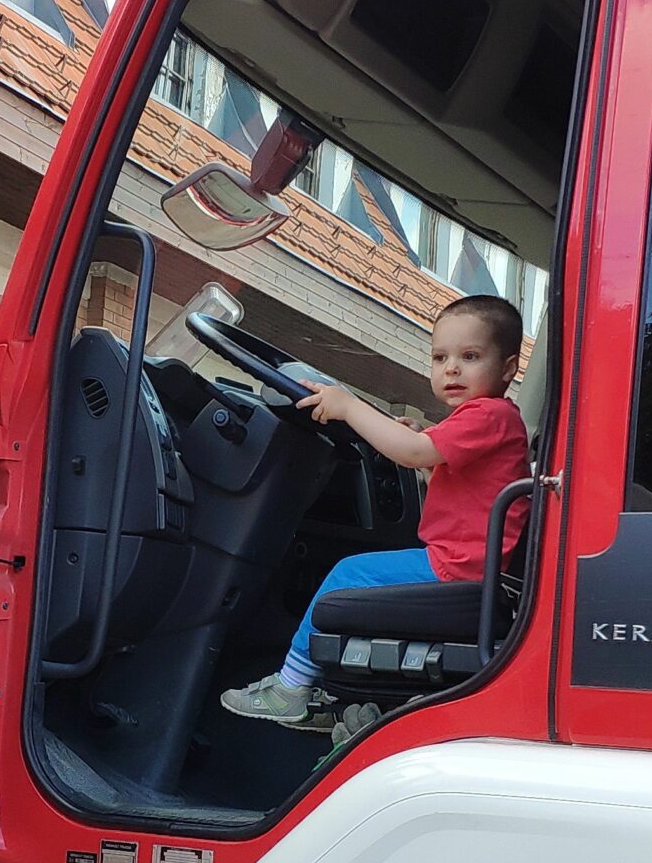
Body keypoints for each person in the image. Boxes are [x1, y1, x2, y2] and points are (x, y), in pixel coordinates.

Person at [222, 293, 531, 728]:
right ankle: (326, 694)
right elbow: (439, 470)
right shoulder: (488, 419)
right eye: (439, 357)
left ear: (507, 367)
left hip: (457, 567)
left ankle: (290, 688)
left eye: (470, 356)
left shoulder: (488, 415)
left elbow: (411, 453)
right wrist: (421, 445)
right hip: (467, 563)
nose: (451, 368)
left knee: (347, 575)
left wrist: (349, 406)